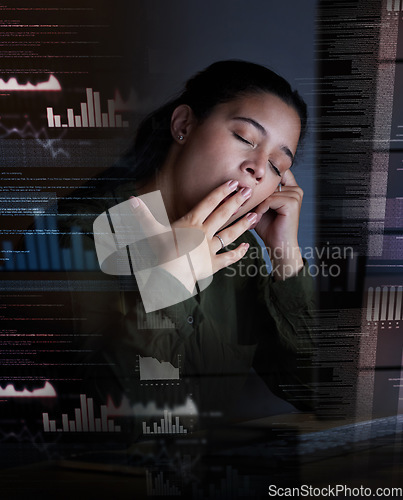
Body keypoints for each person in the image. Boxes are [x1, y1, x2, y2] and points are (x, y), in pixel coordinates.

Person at [59, 60, 315, 437]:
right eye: (245, 138)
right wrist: (169, 284)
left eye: (278, 165)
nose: (259, 168)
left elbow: (320, 391)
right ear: (183, 125)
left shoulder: (238, 248)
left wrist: (285, 256)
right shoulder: (81, 234)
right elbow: (122, 421)